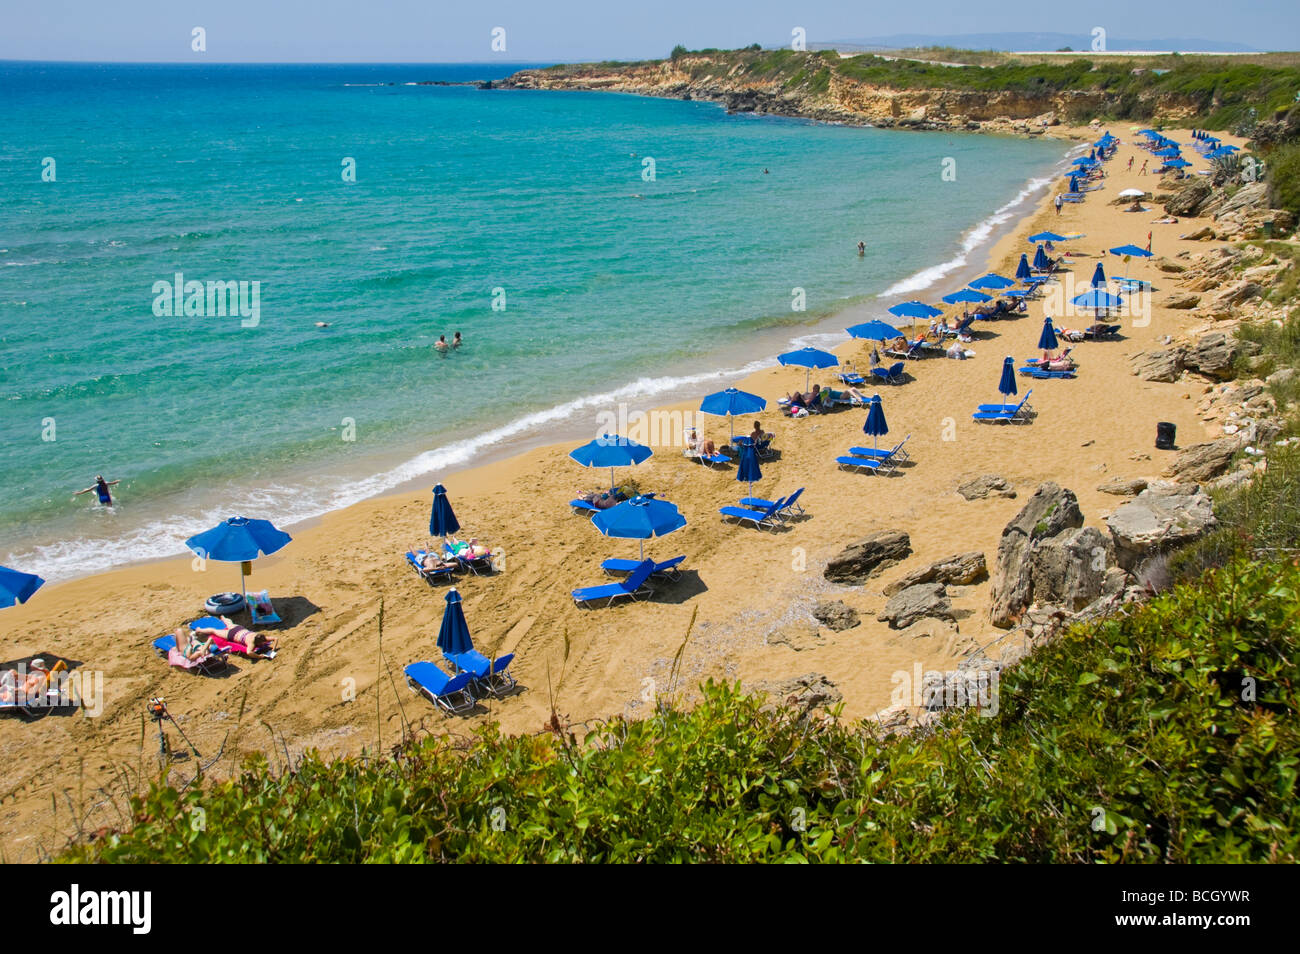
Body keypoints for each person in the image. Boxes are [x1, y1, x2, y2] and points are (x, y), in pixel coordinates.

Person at [193, 617, 278, 654]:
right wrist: (259, 656)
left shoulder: (261, 636)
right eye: (262, 643)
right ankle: (199, 629)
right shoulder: (251, 643)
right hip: (232, 634)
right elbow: (249, 652)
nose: (263, 644)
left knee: (230, 623)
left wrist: (273, 649)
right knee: (214, 631)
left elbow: (275, 638)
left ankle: (223, 617)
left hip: (239, 629)